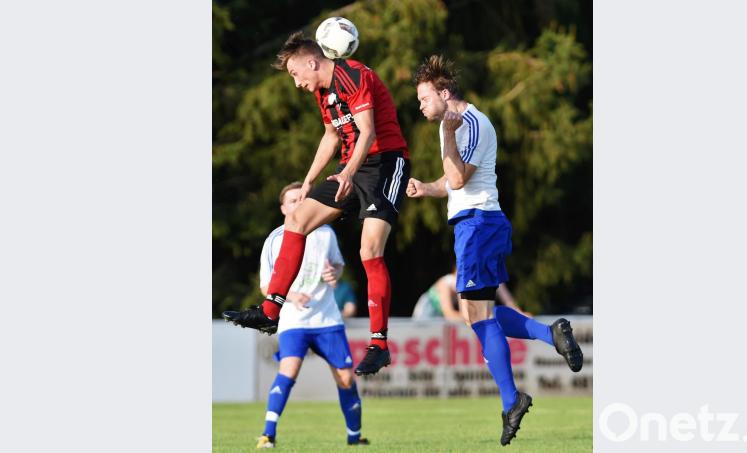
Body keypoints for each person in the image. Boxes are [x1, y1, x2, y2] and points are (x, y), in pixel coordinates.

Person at [406, 55, 583, 446]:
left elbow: (458, 175)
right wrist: (426, 188)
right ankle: (543, 339)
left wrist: (448, 142)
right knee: (477, 314)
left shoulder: (466, 124)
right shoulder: (451, 126)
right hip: (476, 223)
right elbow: (451, 182)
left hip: (478, 224)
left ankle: (513, 395)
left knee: (479, 317)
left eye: (423, 96)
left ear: (444, 93)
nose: (420, 104)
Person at [223, 31, 411, 376]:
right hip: (349, 168)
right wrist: (310, 180)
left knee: (370, 250)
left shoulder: (354, 75)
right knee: (296, 220)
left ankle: (379, 344)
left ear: (312, 62)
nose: (296, 83)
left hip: (384, 164)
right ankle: (270, 310)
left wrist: (349, 173)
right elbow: (331, 135)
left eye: (296, 73)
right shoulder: (324, 92)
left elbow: (367, 132)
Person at [252, 182, 368, 449]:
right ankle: (268, 434)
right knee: (289, 370)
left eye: (302, 199)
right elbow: (265, 286)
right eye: (292, 201)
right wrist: (291, 296)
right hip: (295, 320)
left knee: (346, 378)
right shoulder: (275, 239)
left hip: (327, 319)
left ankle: (355, 437)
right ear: (283, 208)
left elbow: (337, 267)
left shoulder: (325, 232)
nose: (298, 204)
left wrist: (334, 274)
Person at [412, 269, 531, 320]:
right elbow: (450, 315)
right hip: (426, 315)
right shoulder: (447, 283)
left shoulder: (489, 275)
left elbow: (508, 300)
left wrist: (520, 315)